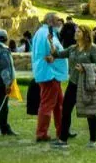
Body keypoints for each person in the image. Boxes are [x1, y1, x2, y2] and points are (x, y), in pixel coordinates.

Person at [29, 12, 70, 143]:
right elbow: (49, 52)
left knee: (59, 104)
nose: (60, 23)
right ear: (51, 21)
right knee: (47, 104)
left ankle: (62, 130)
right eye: (58, 20)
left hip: (52, 74)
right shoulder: (45, 34)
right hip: (49, 73)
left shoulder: (43, 32)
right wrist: (53, 58)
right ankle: (41, 133)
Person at [67, 30, 96, 145]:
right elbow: (59, 54)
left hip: (86, 83)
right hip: (73, 82)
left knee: (90, 111)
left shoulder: (93, 48)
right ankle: (63, 138)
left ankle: (93, 141)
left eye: (79, 31)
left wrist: (85, 68)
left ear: (85, 35)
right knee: (66, 109)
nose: (75, 33)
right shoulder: (73, 48)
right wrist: (51, 47)